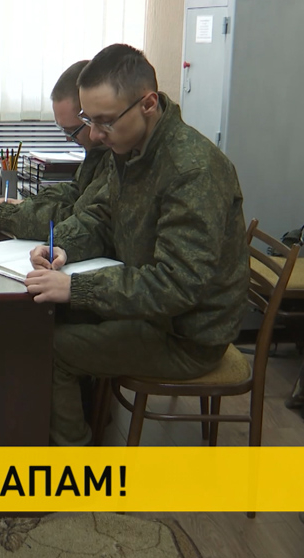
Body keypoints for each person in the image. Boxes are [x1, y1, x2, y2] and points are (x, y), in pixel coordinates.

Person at [23, 44, 249, 446]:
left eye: (105, 121)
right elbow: (104, 217)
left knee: (49, 348)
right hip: (154, 314)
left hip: (186, 335)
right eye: (89, 120)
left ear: (147, 104)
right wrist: (65, 247)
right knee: (41, 319)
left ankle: (74, 465)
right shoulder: (130, 148)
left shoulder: (192, 170)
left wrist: (77, 288)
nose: (95, 135)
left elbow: (176, 285)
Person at [0, 60, 110, 237]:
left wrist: (2, 216)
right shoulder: (97, 153)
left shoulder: (117, 155)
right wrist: (25, 205)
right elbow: (73, 193)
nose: (68, 138)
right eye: (64, 130)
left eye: (73, 130)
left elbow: (77, 218)